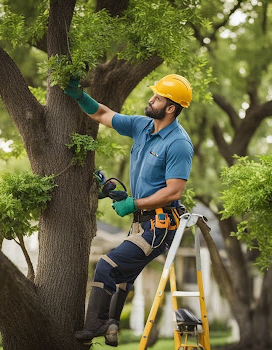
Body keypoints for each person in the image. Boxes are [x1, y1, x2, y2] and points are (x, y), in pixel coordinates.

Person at [64, 74, 194, 346]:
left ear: (171, 108)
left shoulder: (178, 143)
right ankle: (111, 325)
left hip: (159, 227)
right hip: (141, 224)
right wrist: (79, 96)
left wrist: (134, 203)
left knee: (107, 265)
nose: (151, 99)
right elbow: (102, 114)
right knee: (122, 278)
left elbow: (174, 191)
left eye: (158, 97)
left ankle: (96, 324)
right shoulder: (143, 126)